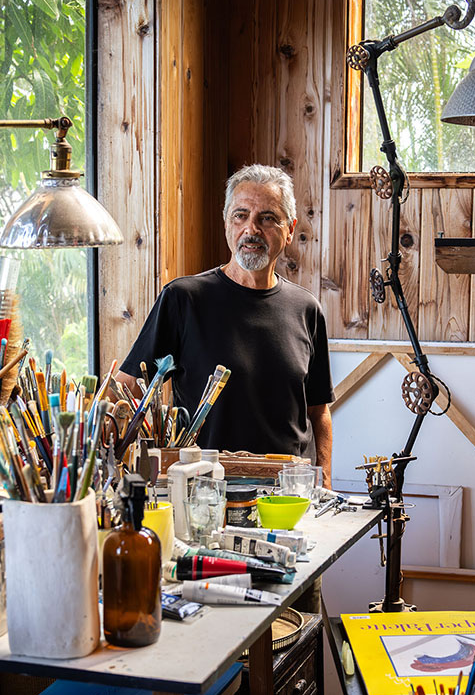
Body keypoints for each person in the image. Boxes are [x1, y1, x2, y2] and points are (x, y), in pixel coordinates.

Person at [117, 164, 333, 485]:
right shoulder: (183, 299)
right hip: (205, 491)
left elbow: (319, 411)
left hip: (286, 493)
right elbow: (127, 388)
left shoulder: (306, 309)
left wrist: (325, 479)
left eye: (267, 218)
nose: (251, 229)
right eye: (240, 216)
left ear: (290, 229)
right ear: (226, 223)